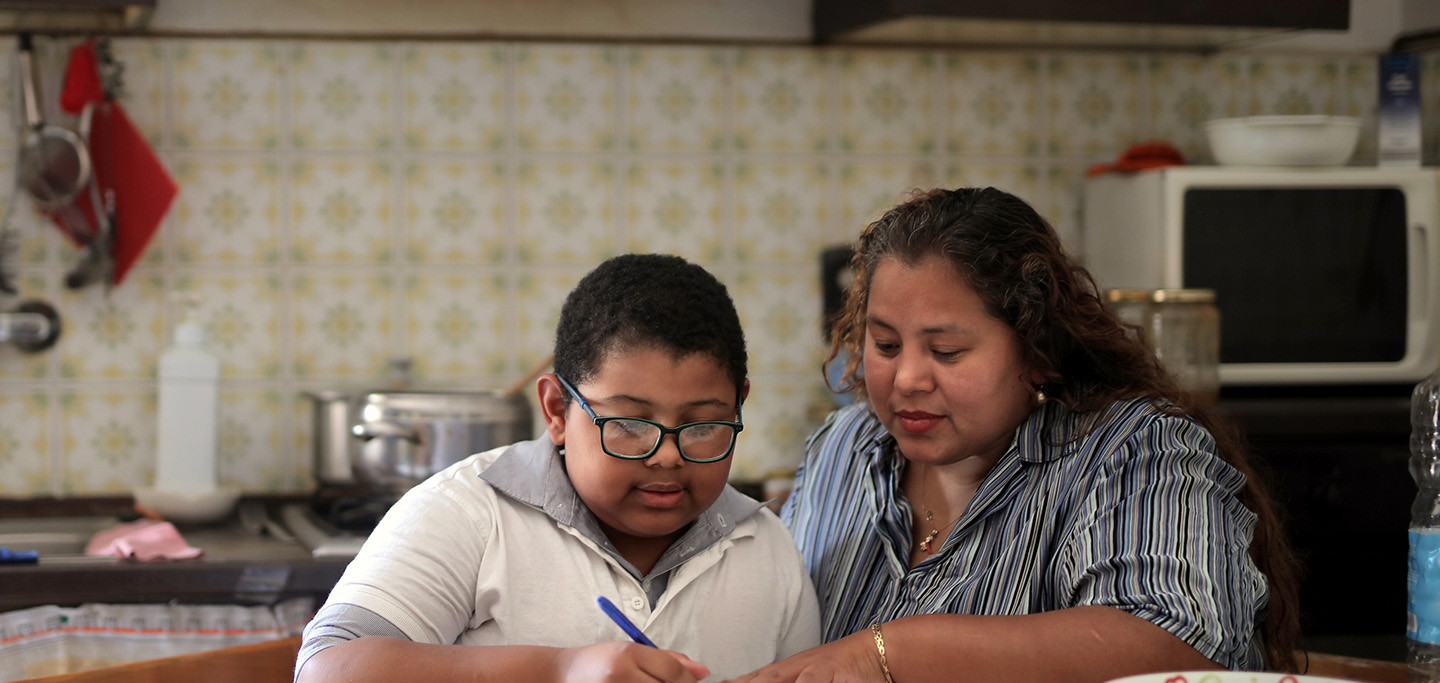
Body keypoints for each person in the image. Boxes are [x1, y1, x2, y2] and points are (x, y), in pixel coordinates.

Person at [729, 187, 1300, 682]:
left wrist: (890, 652)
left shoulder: (1134, 452)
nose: (905, 379)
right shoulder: (845, 448)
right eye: (884, 345)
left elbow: (1172, 644)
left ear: (1038, 350)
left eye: (946, 351)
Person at [295, 253, 820, 683]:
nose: (667, 456)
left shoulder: (765, 547)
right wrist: (559, 668)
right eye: (630, 423)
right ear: (556, 411)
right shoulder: (472, 514)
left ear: (738, 405)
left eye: (704, 425)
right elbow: (326, 671)